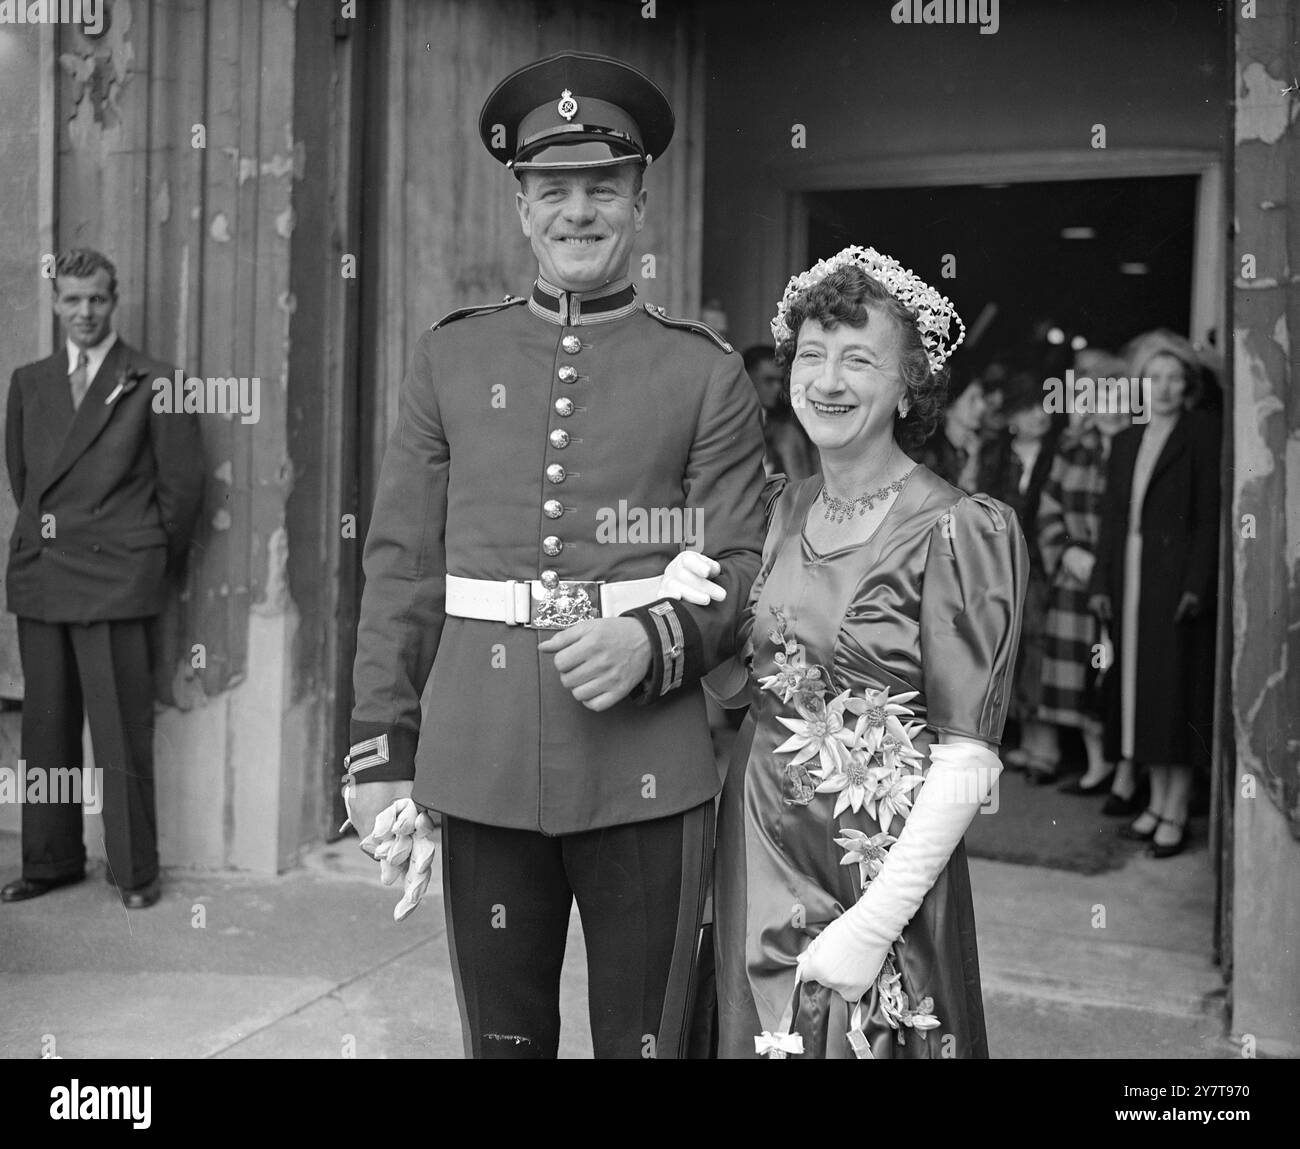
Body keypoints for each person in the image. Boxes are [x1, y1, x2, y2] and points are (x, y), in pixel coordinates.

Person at [343, 51, 767, 1059]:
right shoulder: (450, 357)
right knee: (503, 1042)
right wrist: (376, 749)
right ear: (521, 206)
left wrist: (655, 641)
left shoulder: (703, 373)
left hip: (645, 767)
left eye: (602, 188)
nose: (578, 211)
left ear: (639, 201)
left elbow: (745, 564)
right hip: (479, 757)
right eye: (552, 189)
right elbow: (400, 563)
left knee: (645, 1043)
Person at [663, 246, 1027, 1058]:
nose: (826, 380)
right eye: (813, 356)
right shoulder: (777, 508)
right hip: (756, 845)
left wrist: (875, 922)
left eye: (859, 359)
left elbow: (969, 757)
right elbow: (743, 685)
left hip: (880, 872)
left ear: (910, 385)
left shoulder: (960, 529)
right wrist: (699, 599)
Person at [2, 248, 203, 909]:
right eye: (71, 300)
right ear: (55, 303)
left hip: (118, 579)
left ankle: (134, 870)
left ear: (115, 301)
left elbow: (181, 490)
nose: (83, 312)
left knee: (120, 732)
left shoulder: (156, 378)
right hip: (44, 576)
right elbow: (26, 481)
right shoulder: (29, 382)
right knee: (46, 727)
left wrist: (142, 559)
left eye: (96, 299)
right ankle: (51, 859)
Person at [1088, 330, 1220, 857]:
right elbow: (1111, 520)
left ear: (1186, 385)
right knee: (1140, 693)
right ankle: (1155, 801)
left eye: (1173, 379)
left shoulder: (1202, 434)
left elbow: (1209, 517)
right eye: (1154, 379)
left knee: (1173, 693)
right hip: (1131, 575)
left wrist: (1196, 584)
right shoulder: (1125, 440)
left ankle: (1176, 807)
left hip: (1173, 578)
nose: (1163, 388)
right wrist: (1102, 582)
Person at [1038, 363, 1131, 798]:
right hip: (1078, 577)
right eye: (1101, 398)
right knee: (1083, 672)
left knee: (1120, 673)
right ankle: (1097, 766)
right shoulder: (1072, 449)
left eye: (1118, 396)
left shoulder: (1141, 446)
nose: (1109, 407)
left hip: (1127, 579)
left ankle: (1128, 773)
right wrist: (1068, 552)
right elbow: (1049, 506)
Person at [985, 381, 1060, 780]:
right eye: (1029, 408)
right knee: (1011, 650)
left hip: (1043, 567)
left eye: (1044, 408)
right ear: (1012, 417)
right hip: (1003, 566)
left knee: (1040, 648)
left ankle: (1044, 747)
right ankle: (1027, 741)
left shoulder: (1057, 453)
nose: (1039, 415)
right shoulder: (995, 455)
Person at [743, 344, 817, 480]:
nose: (777, 387)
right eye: (769, 380)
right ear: (746, 377)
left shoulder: (787, 430)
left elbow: (800, 487)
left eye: (780, 381)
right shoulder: (729, 422)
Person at [914, 374, 992, 494]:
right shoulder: (929, 455)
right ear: (949, 406)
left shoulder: (977, 450)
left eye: (981, 397)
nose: (982, 406)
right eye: (972, 399)